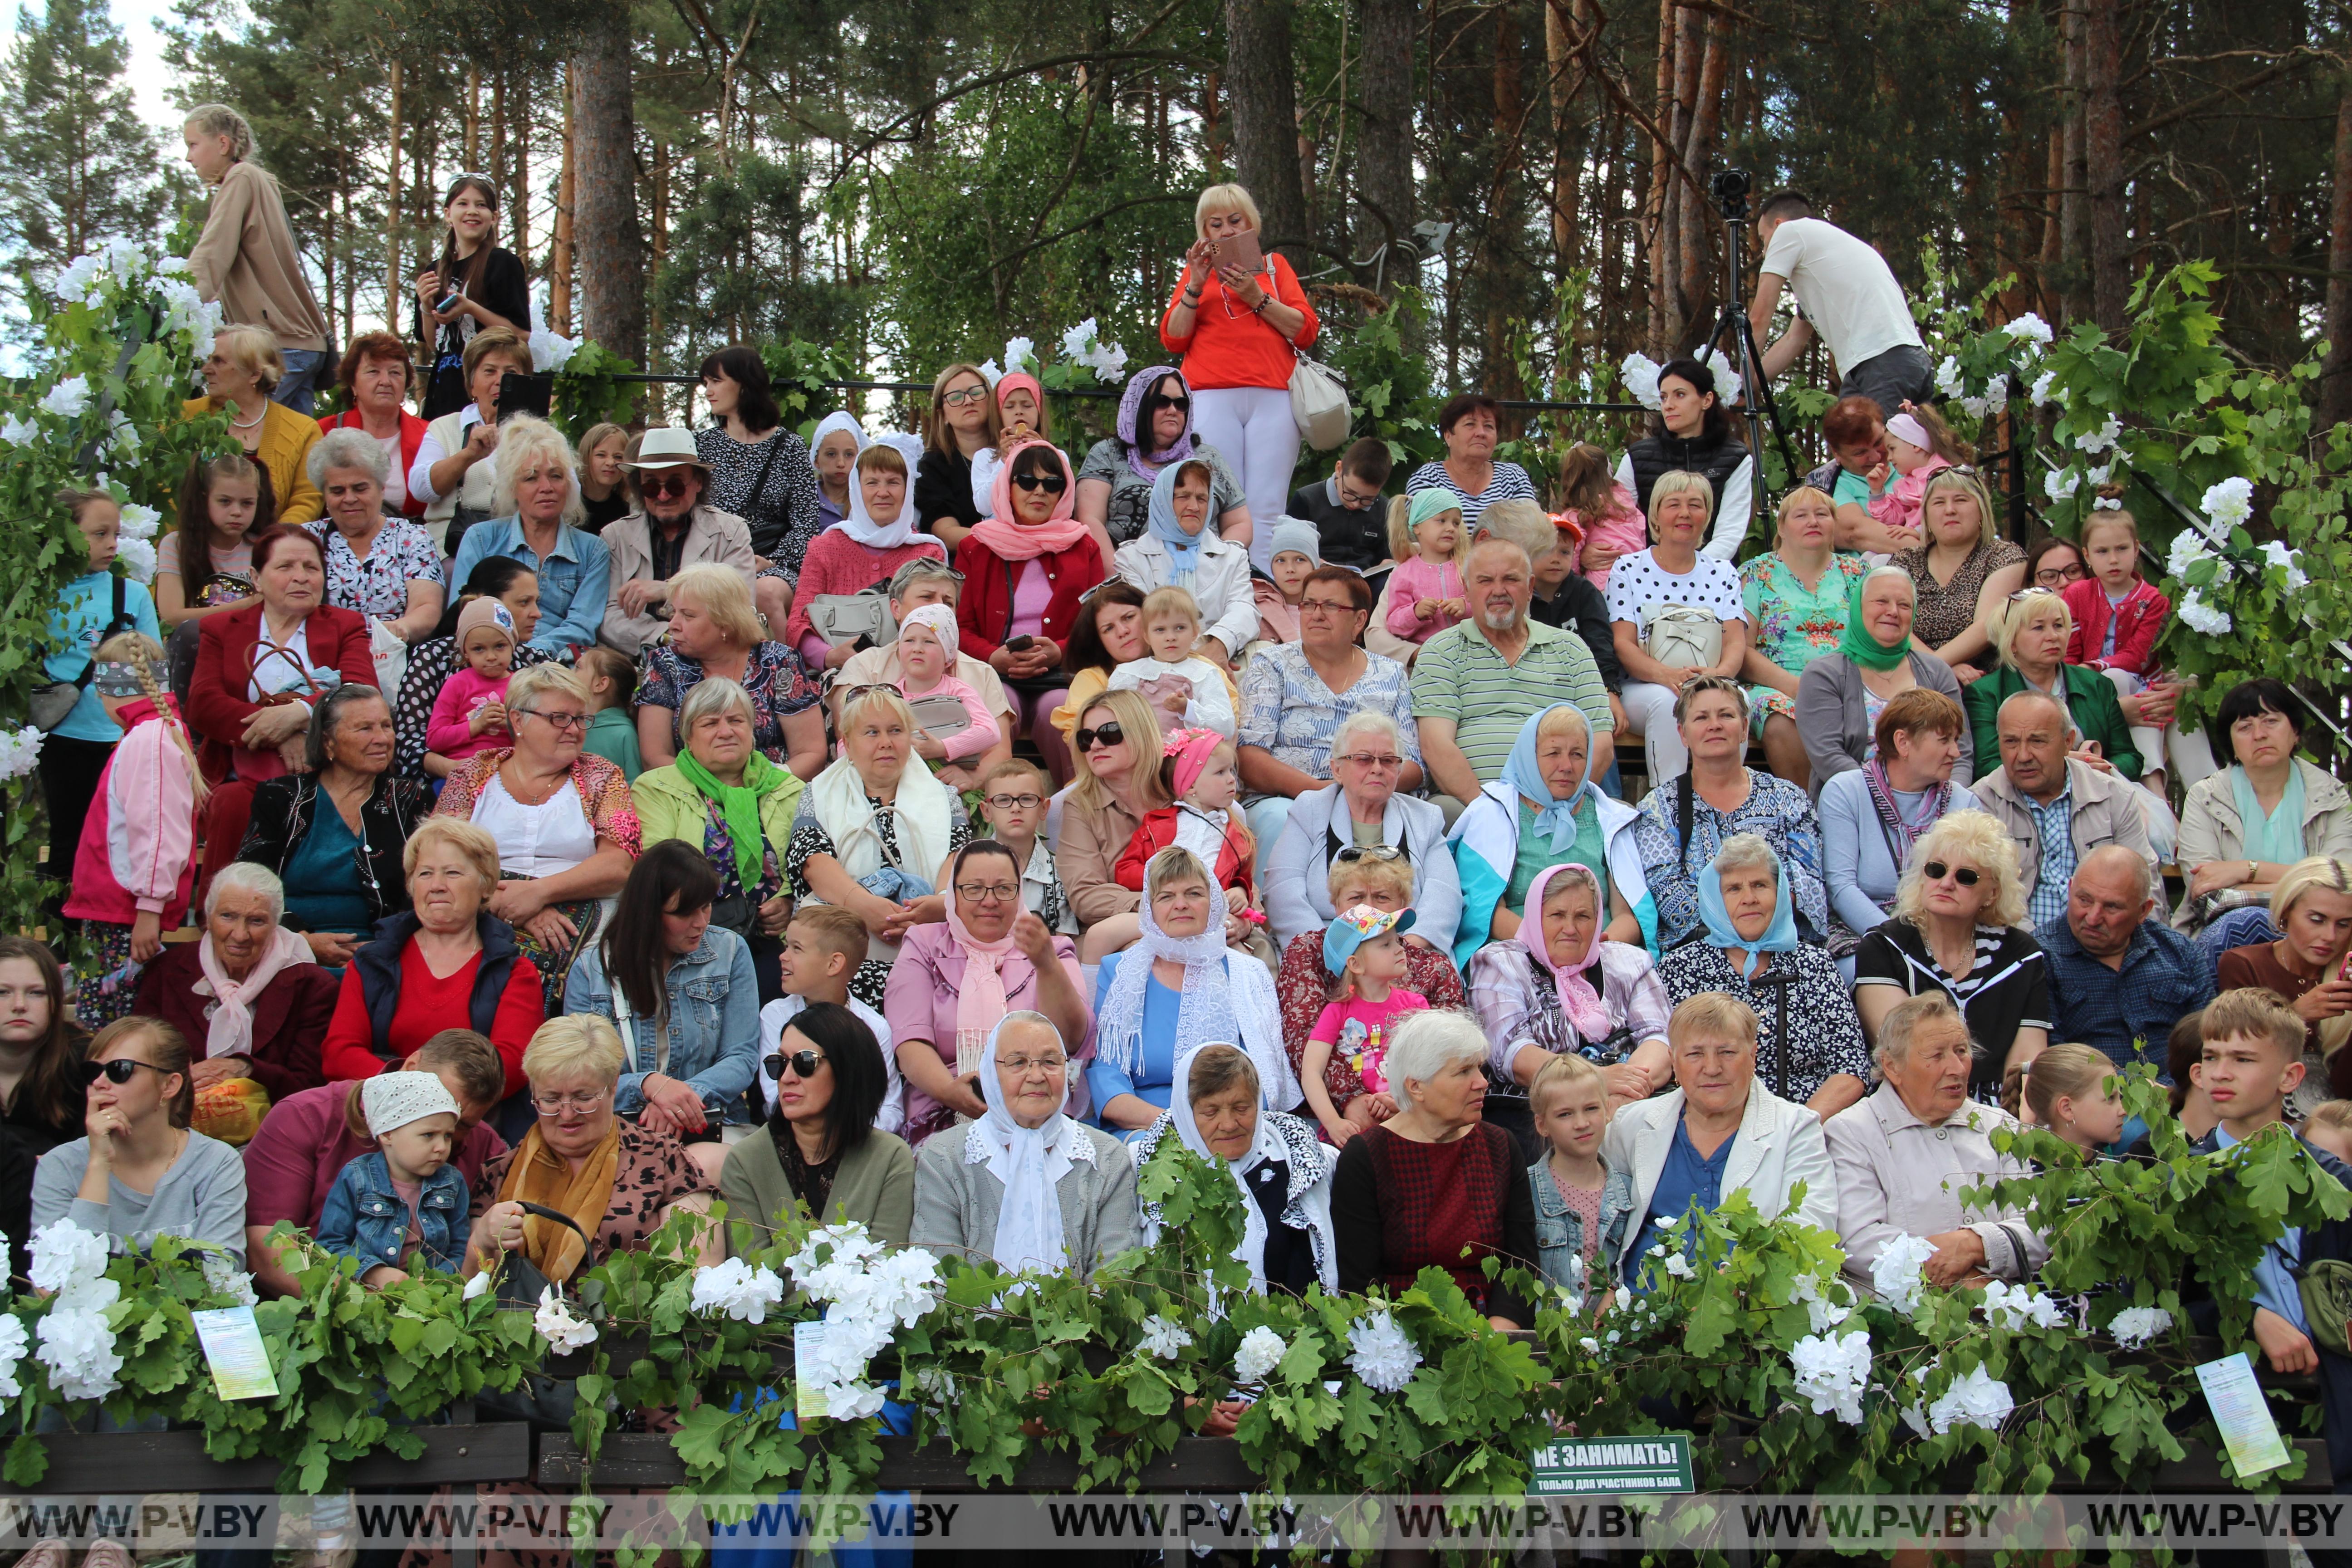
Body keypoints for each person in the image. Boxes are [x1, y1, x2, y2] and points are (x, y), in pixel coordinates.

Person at [2184, 988, 2352, 1433]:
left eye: (2243, 1060)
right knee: (2254, 1494)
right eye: (2212, 1057)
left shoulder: (2337, 1182)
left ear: (2290, 1076)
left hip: (2332, 1392)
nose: (2222, 1073)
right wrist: (2247, 1317)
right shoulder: (2179, 1181)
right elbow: (2161, 1306)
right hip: (2228, 1386)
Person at [431, 665, 641, 1012]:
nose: (574, 730)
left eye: (581, 719)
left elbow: (619, 865)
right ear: (518, 721)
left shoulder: (603, 776)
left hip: (583, 919)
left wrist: (538, 893)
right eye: (560, 718)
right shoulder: (471, 775)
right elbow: (437, 862)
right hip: (481, 912)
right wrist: (515, 909)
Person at [241, 1030, 506, 1296]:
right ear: (411, 1067)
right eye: (432, 1104)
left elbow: (482, 1252)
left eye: (459, 1126)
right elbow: (268, 1247)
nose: (444, 1140)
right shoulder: (305, 1115)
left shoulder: (486, 1146)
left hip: (438, 1308)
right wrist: (371, 1304)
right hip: (320, 1307)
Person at [1601, 993, 1837, 1284]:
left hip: (1748, 1310)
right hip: (1638, 1312)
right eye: (1695, 1054)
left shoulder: (1796, 1129)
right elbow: (1600, 1225)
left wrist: (1741, 1281)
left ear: (1752, 1056)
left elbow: (1810, 1228)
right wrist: (1606, 1288)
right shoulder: (1632, 1124)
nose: (1712, 1068)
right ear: (1674, 1060)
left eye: (1727, 1052)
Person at [466, 1015, 721, 1279]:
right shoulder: (499, 1175)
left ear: (613, 1087)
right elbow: (474, 1294)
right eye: (551, 1099)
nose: (567, 1114)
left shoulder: (666, 1160)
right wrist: (484, 1242)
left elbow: (700, 1271)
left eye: (583, 1098)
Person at [1331, 1009, 1538, 1326]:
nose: (1482, 1083)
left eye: (1480, 1069)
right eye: (1464, 1072)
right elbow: (1360, 1285)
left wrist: (1494, 1338)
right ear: (1416, 1087)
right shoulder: (1367, 1157)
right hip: (1400, 1338)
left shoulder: (1500, 1146)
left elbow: (1520, 1264)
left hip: (1493, 1333)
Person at [1824, 994, 2045, 1289]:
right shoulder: (1851, 1132)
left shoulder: (2001, 1126)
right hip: (1900, 1321)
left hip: (2004, 1315)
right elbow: (1858, 1240)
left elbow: (2040, 1228)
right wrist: (1958, 1278)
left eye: (1961, 1051)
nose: (1957, 1068)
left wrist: (1973, 1244)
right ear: (1892, 1066)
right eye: (1937, 1056)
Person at [317, 818, 543, 1095]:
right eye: (424, 874)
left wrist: (439, 1094)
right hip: (382, 1107)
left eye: (453, 873)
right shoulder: (373, 961)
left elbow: (510, 1063)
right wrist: (406, 1087)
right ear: (411, 886)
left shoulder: (515, 972)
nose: (437, 885)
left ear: (487, 887)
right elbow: (340, 1052)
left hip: (470, 1118)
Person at [887, 841, 1091, 1147]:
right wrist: (950, 1091)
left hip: (1038, 1105)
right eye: (974, 889)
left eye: (1004, 889)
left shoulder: (1051, 949)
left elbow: (1071, 1038)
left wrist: (1046, 965)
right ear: (953, 894)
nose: (990, 900)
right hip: (944, 1106)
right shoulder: (923, 944)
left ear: (1019, 892)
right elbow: (910, 1041)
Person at [1160, 183, 1319, 568]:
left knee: (1267, 504)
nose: (1227, 231)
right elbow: (1173, 339)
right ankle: (1219, 585)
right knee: (1216, 500)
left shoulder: (1274, 266)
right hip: (1211, 395)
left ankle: (1265, 591)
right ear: (1205, 233)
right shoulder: (1195, 273)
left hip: (1274, 397)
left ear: (1252, 225)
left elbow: (1306, 330)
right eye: (1216, 225)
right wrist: (1196, 284)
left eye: (1236, 221)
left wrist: (1256, 296)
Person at [909, 1012, 1140, 1274]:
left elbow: (1114, 1279)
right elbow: (939, 1278)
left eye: (1051, 1062)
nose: (1037, 1075)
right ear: (990, 1074)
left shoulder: (1107, 1158)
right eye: (1018, 1063)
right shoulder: (944, 1157)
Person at [1468, 863, 1671, 1160]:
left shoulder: (1630, 962)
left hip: (1627, 1103)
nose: (1570, 929)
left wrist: (1621, 1094)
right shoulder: (1500, 964)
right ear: (1535, 919)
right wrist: (1595, 1085)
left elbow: (1659, 1038)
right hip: (1538, 1113)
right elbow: (1513, 1054)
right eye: (1557, 915)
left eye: (1583, 916)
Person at [1092, 847, 1297, 1139]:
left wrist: (1216, 1126)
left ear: (1213, 902)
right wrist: (1177, 1125)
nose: (1181, 905)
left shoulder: (1248, 973)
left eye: (1194, 894)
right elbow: (1106, 1078)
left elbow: (1264, 1077)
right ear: (1150, 909)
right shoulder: (1118, 971)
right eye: (1166, 896)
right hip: (1145, 1127)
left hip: (1233, 1127)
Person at [564, 841, 762, 1140]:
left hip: (710, 1122)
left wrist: (679, 1100)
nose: (701, 923)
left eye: (707, 906)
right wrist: (648, 1086)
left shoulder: (731, 951)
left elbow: (741, 1057)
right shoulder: (591, 969)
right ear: (648, 912)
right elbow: (579, 1074)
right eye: (684, 914)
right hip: (620, 1129)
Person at [1657, 837, 1869, 1116]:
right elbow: (1677, 1068)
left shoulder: (1814, 964)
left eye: (1760, 885)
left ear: (1780, 892)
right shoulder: (1681, 968)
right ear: (1714, 899)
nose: (1749, 899)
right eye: (1734, 889)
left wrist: (1799, 1130)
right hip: (1716, 1121)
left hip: (1811, 1122)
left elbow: (1851, 1066)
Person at [1852, 809, 2049, 1101]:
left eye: (1966, 877)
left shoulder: (2022, 956)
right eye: (1936, 870)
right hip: (1913, 1104)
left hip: (2001, 1116)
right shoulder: (1883, 947)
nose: (1946, 883)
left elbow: (2024, 1070)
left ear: (1992, 893)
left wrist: (2011, 1132)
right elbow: (1904, 1053)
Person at [1410, 537, 1616, 813]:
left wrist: (1559, 807)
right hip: (1471, 805)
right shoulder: (1441, 650)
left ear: (1531, 587)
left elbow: (1601, 744)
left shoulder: (1571, 649)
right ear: (1467, 589)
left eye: (1511, 579)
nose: (1498, 591)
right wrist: (1491, 812)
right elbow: (1436, 746)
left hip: (1560, 804)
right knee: (1442, 812)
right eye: (1485, 581)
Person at [63, 633, 207, 1027]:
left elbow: (158, 829)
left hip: (126, 913)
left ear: (108, 690)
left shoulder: (150, 739)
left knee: (119, 1023)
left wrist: (149, 906)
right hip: (119, 909)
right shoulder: (150, 735)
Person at [788, 686, 967, 999]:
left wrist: (940, 903)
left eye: (896, 731)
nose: (886, 742)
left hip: (927, 943)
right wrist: (863, 906)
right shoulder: (817, 794)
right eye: (871, 732)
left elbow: (959, 860)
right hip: (840, 953)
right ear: (848, 742)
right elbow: (813, 861)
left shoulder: (944, 798)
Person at [1631, 676, 1829, 954]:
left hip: (1783, 948)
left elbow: (1809, 882)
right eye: (1701, 718)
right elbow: (1665, 890)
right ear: (1683, 733)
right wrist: (1735, 931)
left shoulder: (1790, 799)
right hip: (1701, 954)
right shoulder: (1658, 808)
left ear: (1745, 728)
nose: (1715, 725)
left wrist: (1759, 926)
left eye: (1726, 715)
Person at [633, 680, 805, 995]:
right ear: (688, 737)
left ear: (752, 730)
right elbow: (659, 868)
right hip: (692, 937)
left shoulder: (790, 789)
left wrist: (789, 899)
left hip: (774, 937)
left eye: (736, 721)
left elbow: (811, 863)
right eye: (710, 723)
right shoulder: (655, 787)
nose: (726, 732)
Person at [235, 685, 429, 963]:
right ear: (328, 742)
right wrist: (301, 941)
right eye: (365, 729)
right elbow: (249, 883)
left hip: (385, 954)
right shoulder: (282, 797)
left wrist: (387, 946)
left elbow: (428, 883)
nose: (383, 739)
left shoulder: (410, 798)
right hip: (287, 951)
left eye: (386, 726)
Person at [953, 440, 1112, 778]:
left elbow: (1101, 624)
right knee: (996, 711)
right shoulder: (976, 547)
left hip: (1061, 675)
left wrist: (1061, 651)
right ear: (1007, 486)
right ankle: (989, 812)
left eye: (1052, 484)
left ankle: (1078, 809)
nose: (1039, 491)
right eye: (1026, 480)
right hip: (994, 673)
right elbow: (959, 627)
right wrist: (993, 655)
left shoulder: (1083, 547)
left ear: (1064, 492)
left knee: (1058, 711)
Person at [31, 1017, 249, 1263]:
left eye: (119, 1070)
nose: (99, 1083)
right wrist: (98, 1164)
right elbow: (56, 1280)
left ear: (169, 1085)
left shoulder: (216, 1162)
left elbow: (222, 1273)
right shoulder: (59, 1165)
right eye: (92, 1072)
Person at [1131, 1042, 1338, 1298]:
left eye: (1242, 1108)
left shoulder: (1297, 1161)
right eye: (1211, 1111)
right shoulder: (1155, 1172)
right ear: (1186, 1113)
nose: (1229, 1125)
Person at [130, 862, 338, 1108]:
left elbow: (308, 1086)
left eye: (257, 921)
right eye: (227, 916)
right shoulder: (167, 971)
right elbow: (139, 1061)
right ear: (208, 918)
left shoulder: (312, 986)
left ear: (276, 925)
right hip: (174, 1116)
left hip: (271, 1124)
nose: (240, 935)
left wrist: (247, 1069)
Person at [1450, 702, 1645, 961]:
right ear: (1529, 757)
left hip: (1599, 954)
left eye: (1577, 754)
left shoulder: (1610, 817)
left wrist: (1597, 950)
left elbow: (1628, 913)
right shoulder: (1490, 813)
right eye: (1553, 753)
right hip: (1516, 951)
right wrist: (1544, 947)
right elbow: (1483, 909)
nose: (1566, 765)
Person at [40, 489, 161, 884]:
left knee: (121, 845)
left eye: (116, 533)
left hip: (121, 741)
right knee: (67, 846)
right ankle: (64, 943)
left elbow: (153, 677)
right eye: (99, 534)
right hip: (63, 737)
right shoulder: (39, 595)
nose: (112, 544)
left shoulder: (131, 594)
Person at [722, 1001, 914, 1250]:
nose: (787, 1078)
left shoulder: (890, 1158)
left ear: (849, 1070)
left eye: (805, 1063)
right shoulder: (745, 1161)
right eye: (779, 1063)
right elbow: (751, 1272)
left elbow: (887, 1263)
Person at [1264, 710, 1455, 953]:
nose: (1377, 769)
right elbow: (1283, 891)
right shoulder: (1310, 810)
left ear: (1398, 771)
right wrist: (1335, 950)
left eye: (1388, 760)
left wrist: (1403, 950)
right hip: (1323, 946)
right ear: (1337, 770)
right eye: (1364, 759)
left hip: (1405, 948)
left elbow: (1444, 896)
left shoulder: (1424, 818)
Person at [182, 104, 331, 412]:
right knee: (291, 453)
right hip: (303, 344)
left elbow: (213, 253)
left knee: (236, 439)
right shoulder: (260, 181)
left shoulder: (241, 178)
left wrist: (177, 306)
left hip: (277, 346)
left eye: (193, 145)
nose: (189, 157)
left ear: (223, 144)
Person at [1973, 691, 2155, 939]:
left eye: (2038, 741)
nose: (2023, 756)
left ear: (2069, 742)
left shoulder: (2113, 796)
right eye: (2011, 742)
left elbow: (2145, 884)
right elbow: (1983, 901)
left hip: (2103, 944)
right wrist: (2039, 954)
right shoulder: (1980, 804)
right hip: (2016, 949)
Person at [2176, 677, 2352, 933]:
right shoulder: (2205, 797)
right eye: (2245, 727)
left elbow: (2340, 883)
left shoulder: (2329, 795)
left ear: (2295, 732)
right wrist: (2304, 889)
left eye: (2271, 721)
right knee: (2244, 926)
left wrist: (2246, 871)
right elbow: (2208, 893)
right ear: (2232, 745)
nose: (2260, 735)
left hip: (2322, 931)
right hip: (2225, 933)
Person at [1609, 471, 1750, 785]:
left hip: (1710, 680)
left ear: (1707, 515)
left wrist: (1719, 676)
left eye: (1695, 505)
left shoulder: (1722, 571)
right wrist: (1668, 677)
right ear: (1657, 513)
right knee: (1669, 703)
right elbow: (1623, 644)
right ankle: (1670, 805)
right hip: (1643, 686)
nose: (1685, 513)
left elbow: (1735, 643)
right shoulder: (1628, 569)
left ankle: (1727, 800)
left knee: (1737, 699)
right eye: (1674, 504)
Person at [1817, 688, 1979, 953]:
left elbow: (1971, 890)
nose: (1956, 752)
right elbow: (1840, 888)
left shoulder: (1965, 803)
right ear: (1903, 742)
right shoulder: (1845, 792)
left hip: (1945, 936)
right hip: (1862, 935)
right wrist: (1901, 941)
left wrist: (1933, 942)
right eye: (1944, 740)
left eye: (1956, 740)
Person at [2063, 509, 2209, 799]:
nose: (2113, 559)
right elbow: (2070, 654)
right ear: (2087, 556)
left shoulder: (2153, 599)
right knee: (2115, 676)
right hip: (2095, 687)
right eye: (2102, 551)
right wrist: (2089, 671)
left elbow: (2139, 656)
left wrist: (2095, 666)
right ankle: (2156, 787)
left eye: (2122, 549)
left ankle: (2201, 790)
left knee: (2131, 681)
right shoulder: (2078, 594)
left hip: (2144, 681)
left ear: (2137, 549)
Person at [1748, 190, 1932, 417]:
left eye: (1763, 239)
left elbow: (1758, 320)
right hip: (1907, 362)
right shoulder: (1827, 253)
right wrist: (1747, 386)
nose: (1764, 251)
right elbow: (1792, 340)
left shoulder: (1789, 232)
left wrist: (1739, 380)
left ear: (1778, 224)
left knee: (1869, 451)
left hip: (1879, 364)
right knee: (1890, 449)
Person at [599, 427, 779, 658]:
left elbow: (739, 608)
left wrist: (667, 589)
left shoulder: (730, 532)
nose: (663, 496)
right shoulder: (615, 536)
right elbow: (609, 617)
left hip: (712, 662)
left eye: (675, 486)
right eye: (651, 486)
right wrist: (664, 636)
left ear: (698, 483)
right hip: (635, 659)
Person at [634, 563, 825, 778]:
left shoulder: (778, 661)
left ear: (725, 622)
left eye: (688, 616)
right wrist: (715, 794)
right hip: (693, 797)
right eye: (674, 613)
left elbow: (810, 752)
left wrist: (762, 792)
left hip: (774, 791)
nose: (673, 625)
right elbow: (655, 757)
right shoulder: (665, 663)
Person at [1795, 565, 1970, 798]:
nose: (1893, 612)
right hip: (1856, 803)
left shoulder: (1936, 672)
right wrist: (1889, 800)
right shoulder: (1824, 674)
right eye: (1881, 602)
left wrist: (1950, 801)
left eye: (1904, 605)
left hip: (1935, 802)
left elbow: (1962, 753)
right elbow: (1829, 757)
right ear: (1858, 607)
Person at [449, 416, 615, 658]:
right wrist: (507, 653)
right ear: (512, 488)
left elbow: (581, 627)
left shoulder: (593, 550)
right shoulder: (481, 539)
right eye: (532, 478)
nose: (546, 487)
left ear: (569, 484)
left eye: (556, 476)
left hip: (558, 665)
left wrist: (531, 654)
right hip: (489, 662)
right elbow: (463, 612)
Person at [2038, 846, 2215, 1076]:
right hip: (2089, 1101)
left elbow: (2211, 1044)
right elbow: (2052, 1063)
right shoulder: (2040, 958)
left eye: (2111, 907)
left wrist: (2176, 1094)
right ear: (2070, 889)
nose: (2092, 918)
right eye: (2084, 900)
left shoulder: (2182, 954)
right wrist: (2143, 1092)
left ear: (2144, 911)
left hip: (2183, 1099)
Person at [1740, 486, 1871, 788]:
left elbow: (1879, 636)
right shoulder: (1757, 573)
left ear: (1834, 525)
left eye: (1822, 514)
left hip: (1849, 682)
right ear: (1782, 528)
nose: (1813, 522)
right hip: (1778, 685)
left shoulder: (1858, 572)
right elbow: (1742, 651)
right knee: (1779, 717)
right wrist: (1801, 689)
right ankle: (1807, 812)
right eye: (1801, 515)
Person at [785, 443, 951, 669]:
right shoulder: (825, 547)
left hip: (912, 673)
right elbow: (798, 622)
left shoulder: (928, 552)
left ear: (907, 489)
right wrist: (830, 656)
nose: (883, 492)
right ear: (856, 488)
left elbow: (941, 623)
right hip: (839, 673)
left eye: (893, 482)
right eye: (872, 483)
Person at [392, 559, 556, 779]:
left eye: (536, 602)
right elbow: (410, 743)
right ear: (490, 604)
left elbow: (556, 728)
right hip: (451, 777)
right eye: (524, 602)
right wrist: (457, 769)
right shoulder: (431, 657)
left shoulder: (536, 663)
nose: (537, 613)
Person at [2217, 857, 2352, 1105]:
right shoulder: (2243, 965)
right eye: (2317, 920)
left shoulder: (2346, 976)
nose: (2330, 936)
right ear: (2286, 912)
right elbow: (2233, 1059)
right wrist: (2295, 1015)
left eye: (2343, 924)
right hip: (2261, 1109)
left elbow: (2346, 1088)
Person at [836, 558, 1018, 740]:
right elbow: (850, 745)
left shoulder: (982, 673)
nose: (939, 606)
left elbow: (998, 756)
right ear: (896, 609)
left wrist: (962, 768)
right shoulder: (863, 667)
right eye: (927, 597)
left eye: (948, 603)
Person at [1077, 366, 1252, 555]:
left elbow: (1240, 523)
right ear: (1138, 405)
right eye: (1162, 402)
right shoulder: (1108, 453)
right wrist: (1122, 577)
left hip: (1203, 574)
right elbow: (1090, 519)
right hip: (1126, 575)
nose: (1173, 410)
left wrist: (1215, 565)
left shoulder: (1209, 457)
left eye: (1181, 404)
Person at [758, 906, 902, 1129]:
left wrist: (850, 1135)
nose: (783, 956)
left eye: (796, 949)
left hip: (858, 1140)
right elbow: (774, 1092)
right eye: (787, 946)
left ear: (834, 964)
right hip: (794, 1135)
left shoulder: (874, 1027)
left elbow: (890, 1107)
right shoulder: (775, 1015)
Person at [316, 1072, 469, 1282]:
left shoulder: (452, 1182)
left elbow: (461, 1247)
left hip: (433, 1297)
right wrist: (374, 1273)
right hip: (364, 1294)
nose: (442, 1147)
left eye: (448, 1136)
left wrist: (439, 1279)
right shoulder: (357, 1178)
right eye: (428, 1135)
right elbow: (330, 1244)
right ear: (387, 1134)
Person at [1300, 906, 1430, 1143]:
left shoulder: (1417, 1005)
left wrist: (1399, 1098)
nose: (1400, 949)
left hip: (1415, 1122)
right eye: (1386, 945)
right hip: (1361, 1132)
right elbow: (1310, 1072)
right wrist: (1333, 1123)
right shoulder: (1337, 1012)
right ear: (1355, 964)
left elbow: (1433, 1063)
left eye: (1398, 941)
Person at [302, 427, 445, 644]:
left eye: (360, 489)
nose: (349, 499)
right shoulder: (306, 539)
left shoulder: (412, 537)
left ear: (382, 489)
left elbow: (427, 608)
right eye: (338, 491)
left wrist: (398, 630)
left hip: (395, 654)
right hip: (324, 655)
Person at [1060, 692, 1172, 960]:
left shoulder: (1186, 789)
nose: (1096, 745)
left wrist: (1242, 913)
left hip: (1201, 923)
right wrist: (1163, 907)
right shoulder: (1079, 805)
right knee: (1148, 956)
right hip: (1121, 938)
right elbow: (1085, 895)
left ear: (1141, 733)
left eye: (1109, 733)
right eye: (1086, 738)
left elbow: (1235, 861)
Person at [1113, 458, 1260, 661]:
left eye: (1202, 499)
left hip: (1220, 661)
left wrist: (1219, 646)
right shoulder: (1131, 557)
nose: (1194, 507)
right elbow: (1140, 620)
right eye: (1183, 497)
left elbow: (1244, 610)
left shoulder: (1233, 556)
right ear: (1163, 501)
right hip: (1155, 663)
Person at [696, 346, 823, 579]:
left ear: (744, 384)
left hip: (771, 565)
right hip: (710, 564)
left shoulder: (790, 446)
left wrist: (774, 561)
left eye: (716, 381)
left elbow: (806, 522)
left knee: (768, 591)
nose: (708, 391)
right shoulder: (701, 446)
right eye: (706, 383)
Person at [411, 175, 529, 420]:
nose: (472, 212)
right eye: (463, 204)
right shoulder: (435, 270)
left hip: (491, 389)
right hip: (445, 386)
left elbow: (521, 334)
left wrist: (470, 309)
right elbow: (437, 345)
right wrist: (425, 306)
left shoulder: (503, 263)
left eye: (481, 205)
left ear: (494, 217)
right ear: (448, 213)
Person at [1890, 469, 2024, 682]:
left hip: (1981, 681)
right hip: (1910, 674)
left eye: (1961, 500)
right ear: (1926, 516)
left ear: (1981, 510)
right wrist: (1942, 669)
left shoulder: (2003, 555)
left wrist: (1934, 668)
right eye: (1939, 503)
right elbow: (1892, 622)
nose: (1950, 510)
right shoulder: (1906, 561)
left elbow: (1986, 627)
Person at [409, 327, 533, 555]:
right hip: (451, 546)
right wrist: (468, 455)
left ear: (525, 380)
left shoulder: (541, 433)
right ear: (471, 384)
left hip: (520, 547)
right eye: (489, 371)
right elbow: (420, 489)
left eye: (511, 372)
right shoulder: (445, 427)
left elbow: (569, 494)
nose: (500, 381)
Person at [183, 325, 324, 525]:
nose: (206, 370)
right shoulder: (185, 417)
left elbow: (307, 499)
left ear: (254, 375)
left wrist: (274, 544)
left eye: (218, 361)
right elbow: (168, 492)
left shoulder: (303, 429)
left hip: (272, 550)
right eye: (208, 360)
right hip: (194, 548)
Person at [1613, 357, 1753, 557]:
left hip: (1715, 574)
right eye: (1663, 397)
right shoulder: (1637, 457)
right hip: (1649, 575)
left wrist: (1694, 573)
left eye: (1680, 395)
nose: (1668, 405)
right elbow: (1617, 523)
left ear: (1707, 400)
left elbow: (1730, 532)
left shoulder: (1735, 457)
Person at [1114, 727, 1261, 916]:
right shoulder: (1156, 825)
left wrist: (1241, 892)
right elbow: (1125, 872)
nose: (1232, 780)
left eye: (1232, 771)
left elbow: (1244, 881)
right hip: (1163, 917)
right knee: (1103, 934)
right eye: (1221, 772)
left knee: (1251, 947)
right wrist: (1165, 877)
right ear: (1191, 785)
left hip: (1213, 921)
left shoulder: (1240, 836)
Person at [316, 332, 429, 521]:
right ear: (353, 384)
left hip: (411, 543)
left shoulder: (430, 434)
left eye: (395, 373)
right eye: (373, 372)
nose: (385, 381)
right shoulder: (324, 432)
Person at [892, 605, 1004, 792]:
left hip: (948, 784)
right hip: (899, 785)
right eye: (909, 640)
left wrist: (943, 748)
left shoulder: (959, 691)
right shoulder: (888, 695)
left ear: (949, 656)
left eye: (929, 642)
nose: (917, 649)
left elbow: (990, 731)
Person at [0, 938, 93, 1156]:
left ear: (55, 1001)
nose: (20, 1005)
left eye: (36, 993)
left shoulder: (88, 1063)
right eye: (3, 992)